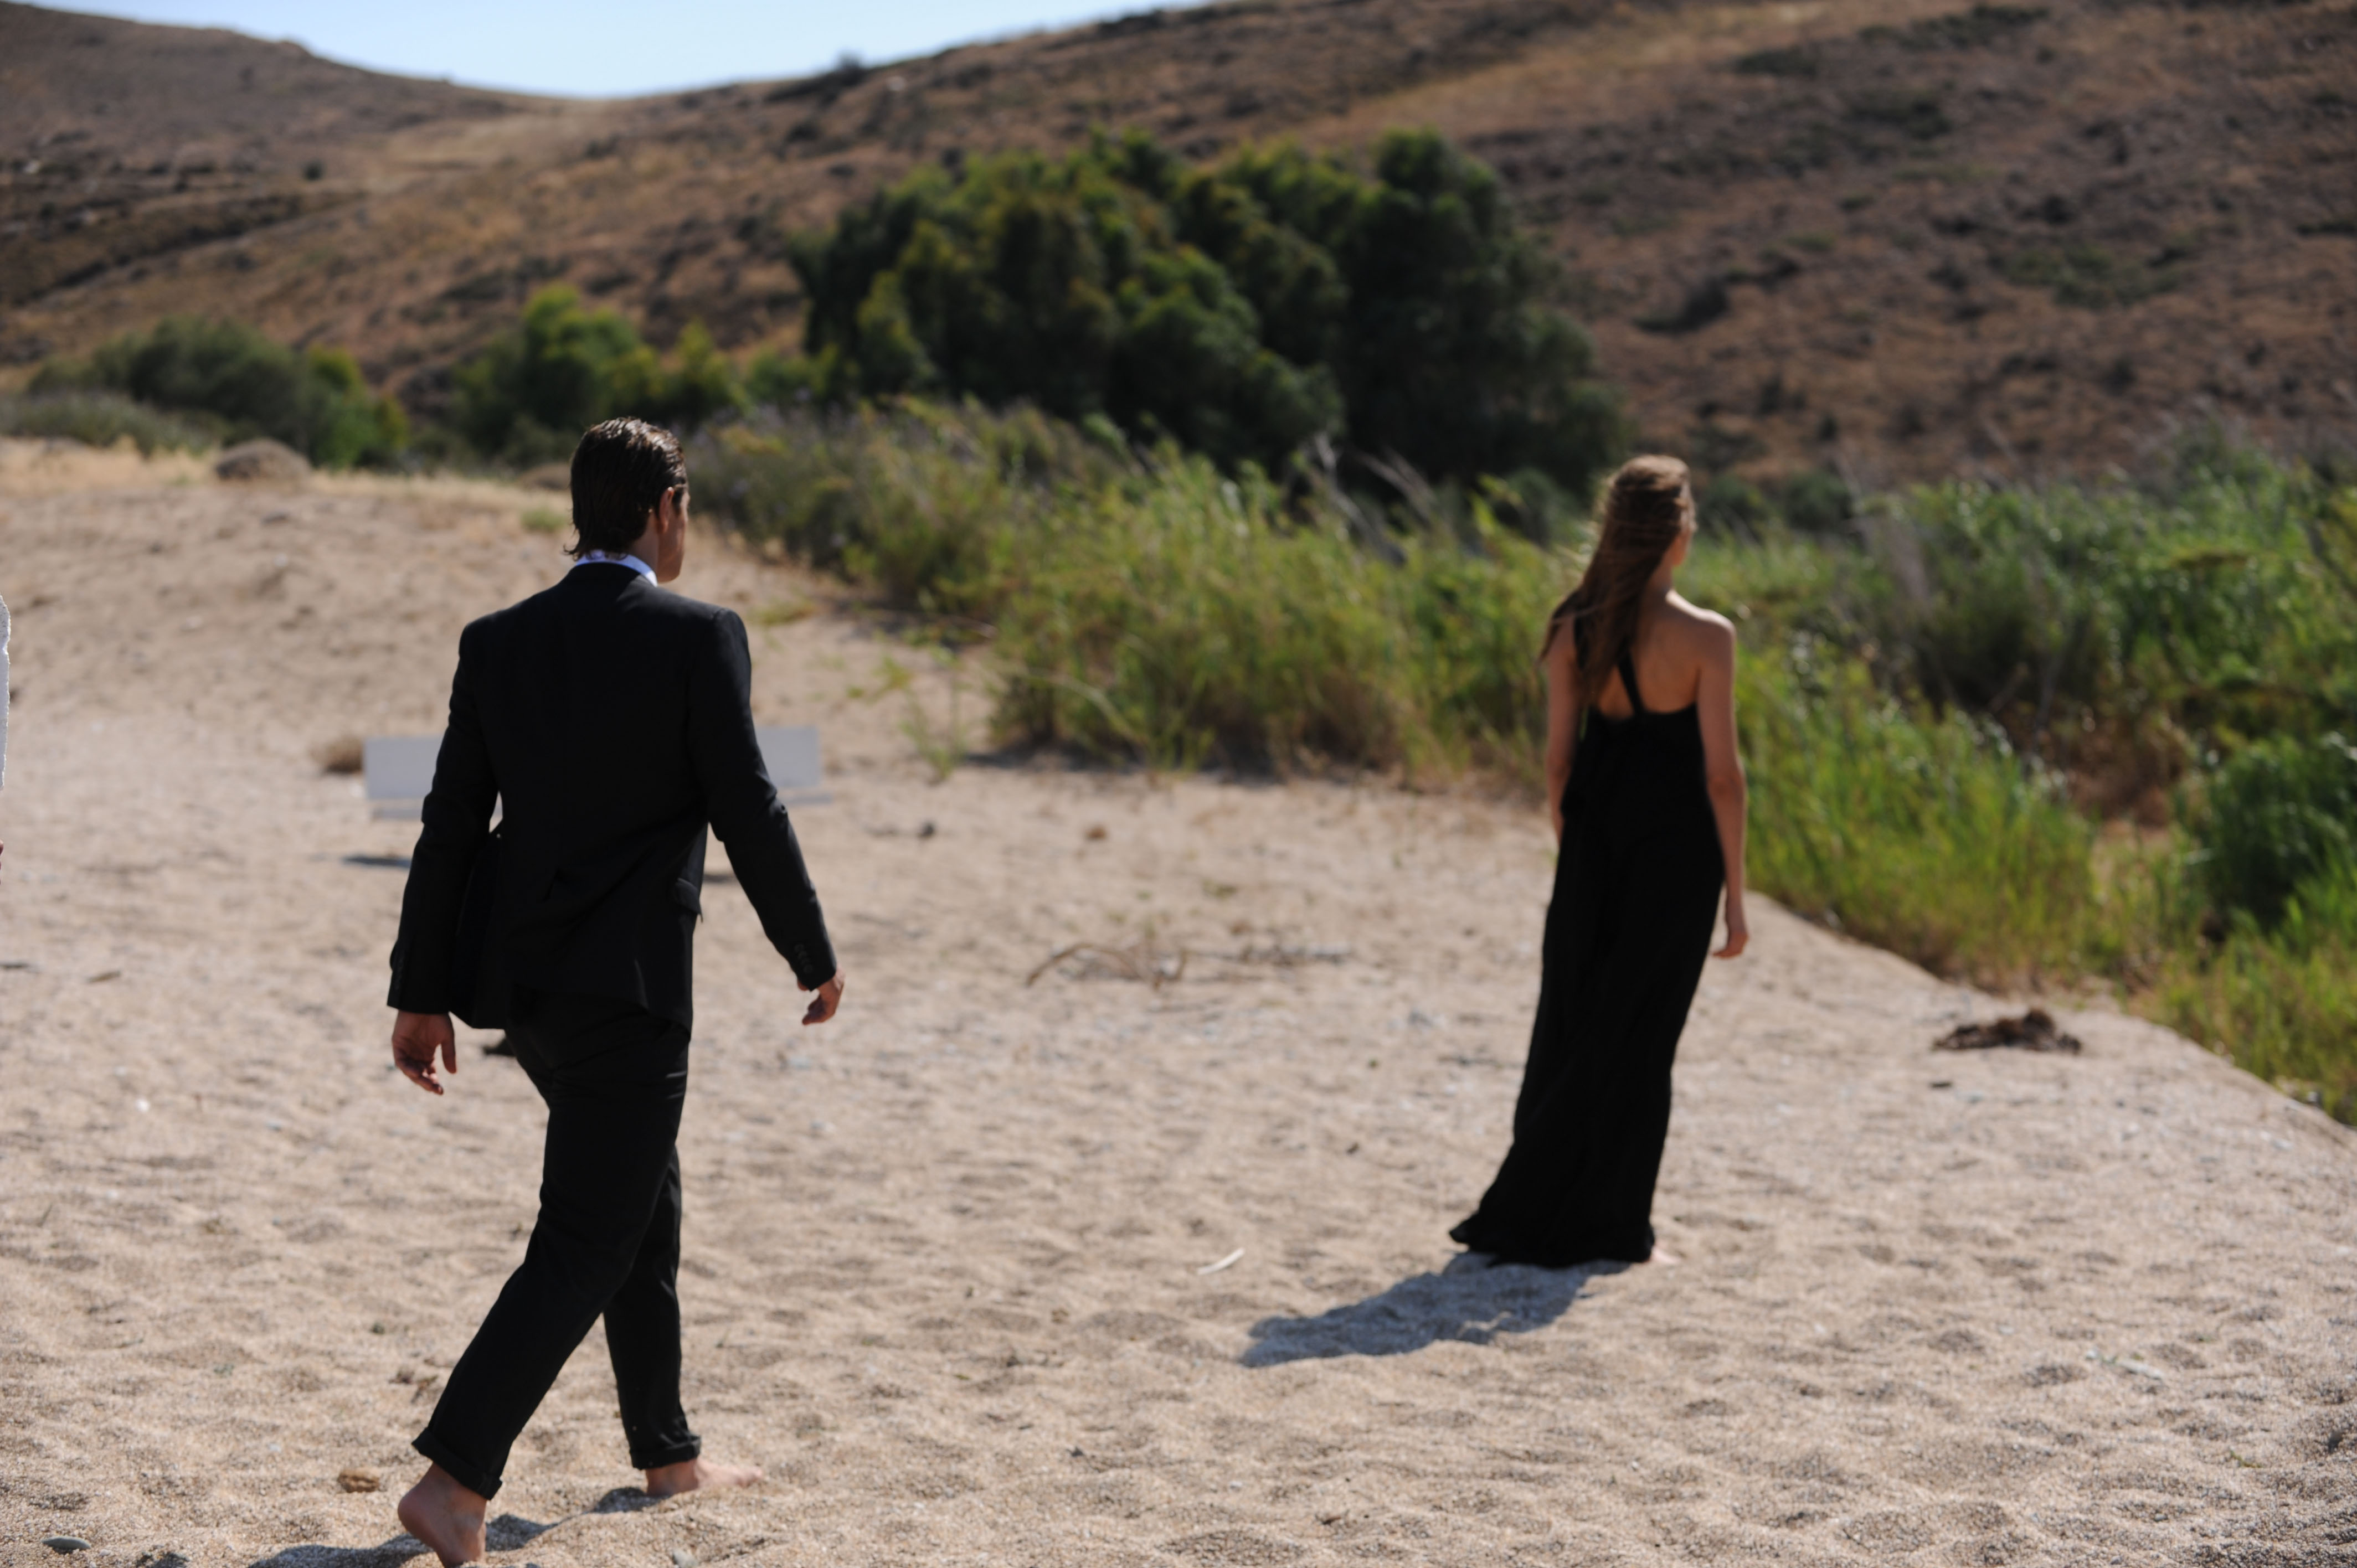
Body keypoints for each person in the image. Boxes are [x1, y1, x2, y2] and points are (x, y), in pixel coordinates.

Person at [384, 418, 846, 1566]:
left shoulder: (498, 640)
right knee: (590, 1234)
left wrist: (419, 992)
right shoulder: (698, 637)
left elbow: (450, 826)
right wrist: (811, 949)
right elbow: (749, 806)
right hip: (630, 993)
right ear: (663, 509)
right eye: (688, 509)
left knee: (643, 1195)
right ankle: (453, 1481)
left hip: (525, 991)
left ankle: (668, 1454)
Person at [1450, 455, 1748, 1270]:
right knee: (1641, 1037)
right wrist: (1737, 895)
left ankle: (1540, 1206)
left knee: (1572, 1022)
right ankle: (1613, 1227)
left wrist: (1574, 851)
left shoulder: (1572, 626)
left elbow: (1558, 764)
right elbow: (1723, 779)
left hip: (1592, 847)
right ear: (1677, 534)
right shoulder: (1708, 637)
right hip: (1678, 861)